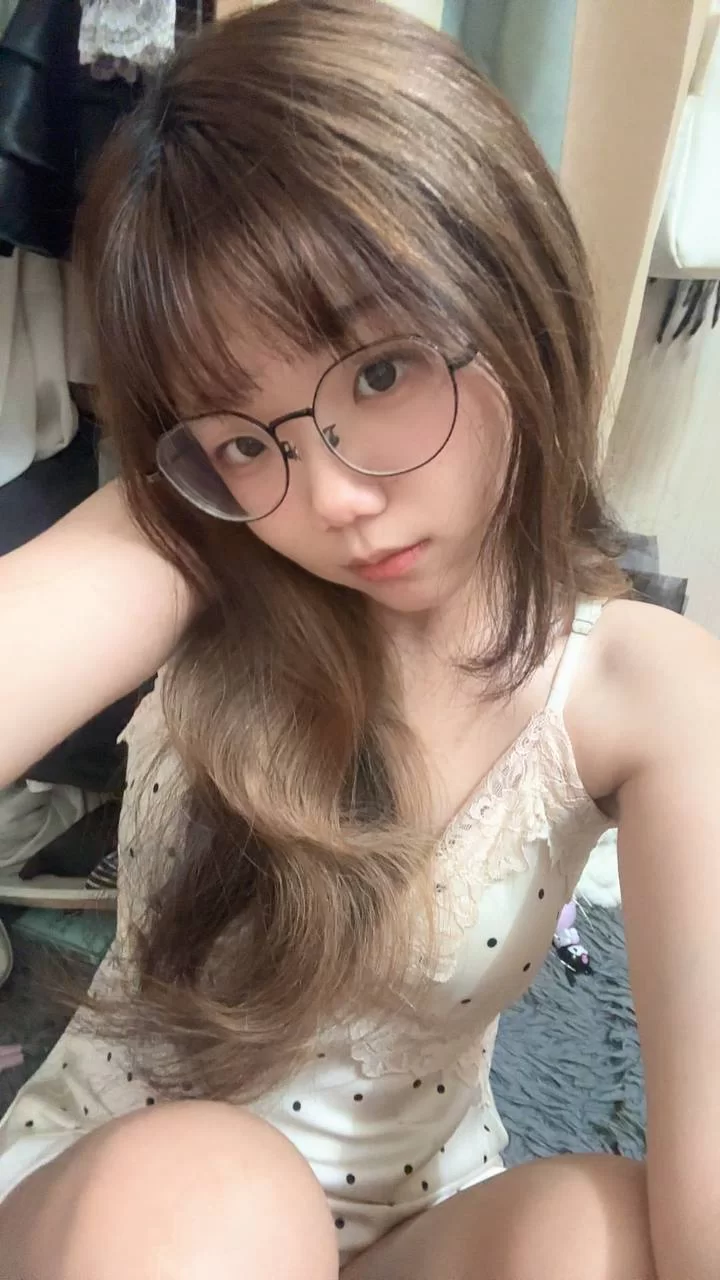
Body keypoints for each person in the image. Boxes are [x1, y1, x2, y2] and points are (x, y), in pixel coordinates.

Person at [0, 2, 718, 1277]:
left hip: (413, 1218)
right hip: (139, 1212)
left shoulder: (637, 682)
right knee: (217, 1194)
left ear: (511, 287)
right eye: (242, 436)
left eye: (379, 373)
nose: (330, 498)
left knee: (598, 1233)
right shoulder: (205, 533)